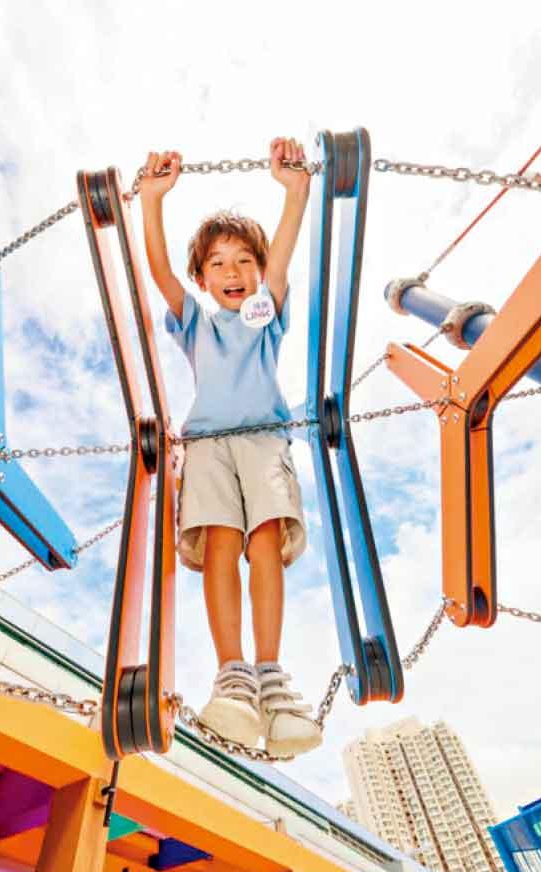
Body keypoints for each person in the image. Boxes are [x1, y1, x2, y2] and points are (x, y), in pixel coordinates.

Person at [139, 137, 320, 757]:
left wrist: (294, 193)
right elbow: (160, 273)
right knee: (221, 541)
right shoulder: (194, 320)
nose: (234, 273)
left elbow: (283, 261)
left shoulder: (263, 314)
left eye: (245, 261)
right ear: (203, 278)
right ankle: (233, 674)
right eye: (219, 263)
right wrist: (152, 202)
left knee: (265, 537)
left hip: (265, 440)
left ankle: (270, 675)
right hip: (210, 444)